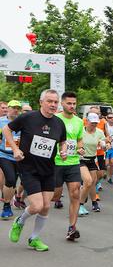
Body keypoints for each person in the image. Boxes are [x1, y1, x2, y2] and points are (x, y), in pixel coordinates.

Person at [4, 89, 67, 252]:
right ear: (41, 102)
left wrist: (64, 150)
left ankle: (34, 238)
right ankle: (20, 221)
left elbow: (63, 141)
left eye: (55, 102)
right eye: (49, 101)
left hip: (48, 169)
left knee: (46, 206)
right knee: (37, 206)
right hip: (29, 168)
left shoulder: (59, 123)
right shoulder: (28, 117)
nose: (53, 105)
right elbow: (6, 130)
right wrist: (15, 149)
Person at [53, 92, 85, 240]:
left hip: (73, 162)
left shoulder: (79, 121)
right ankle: (25, 192)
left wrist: (80, 148)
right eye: (69, 103)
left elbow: (79, 140)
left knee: (75, 193)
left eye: (74, 103)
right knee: (55, 196)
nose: (72, 106)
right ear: (62, 103)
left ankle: (72, 228)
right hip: (56, 162)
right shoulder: (55, 119)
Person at [79, 113, 106, 214]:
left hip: (92, 159)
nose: (94, 124)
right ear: (87, 121)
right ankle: (80, 205)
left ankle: (94, 203)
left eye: (96, 123)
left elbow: (104, 143)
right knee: (88, 181)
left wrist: (105, 145)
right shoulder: (80, 131)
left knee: (92, 183)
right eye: (92, 122)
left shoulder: (99, 132)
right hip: (80, 159)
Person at [0, 100, 22, 220]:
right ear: (8, 108)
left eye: (18, 108)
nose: (16, 110)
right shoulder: (1, 122)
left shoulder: (22, 122)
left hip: (18, 157)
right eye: (13, 107)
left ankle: (9, 200)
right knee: (10, 178)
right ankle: (6, 206)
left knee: (13, 182)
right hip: (3, 155)